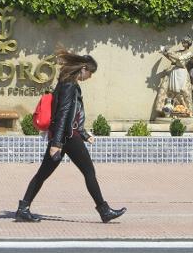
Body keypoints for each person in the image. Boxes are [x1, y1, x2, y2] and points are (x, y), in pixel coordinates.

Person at [15, 48, 126, 223]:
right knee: (89, 171)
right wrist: (57, 142)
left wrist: (83, 133)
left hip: (67, 136)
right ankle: (104, 211)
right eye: (91, 72)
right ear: (83, 69)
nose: (90, 76)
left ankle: (23, 208)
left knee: (43, 173)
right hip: (67, 137)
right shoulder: (69, 85)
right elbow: (63, 114)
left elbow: (71, 114)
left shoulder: (66, 83)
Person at [155, 36, 193, 117]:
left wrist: (169, 52)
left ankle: (187, 111)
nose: (183, 43)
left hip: (182, 72)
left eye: (185, 42)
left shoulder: (190, 53)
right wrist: (165, 54)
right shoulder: (179, 51)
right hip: (175, 71)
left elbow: (180, 59)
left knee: (183, 91)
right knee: (173, 91)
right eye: (183, 42)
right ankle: (173, 110)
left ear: (188, 44)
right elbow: (173, 60)